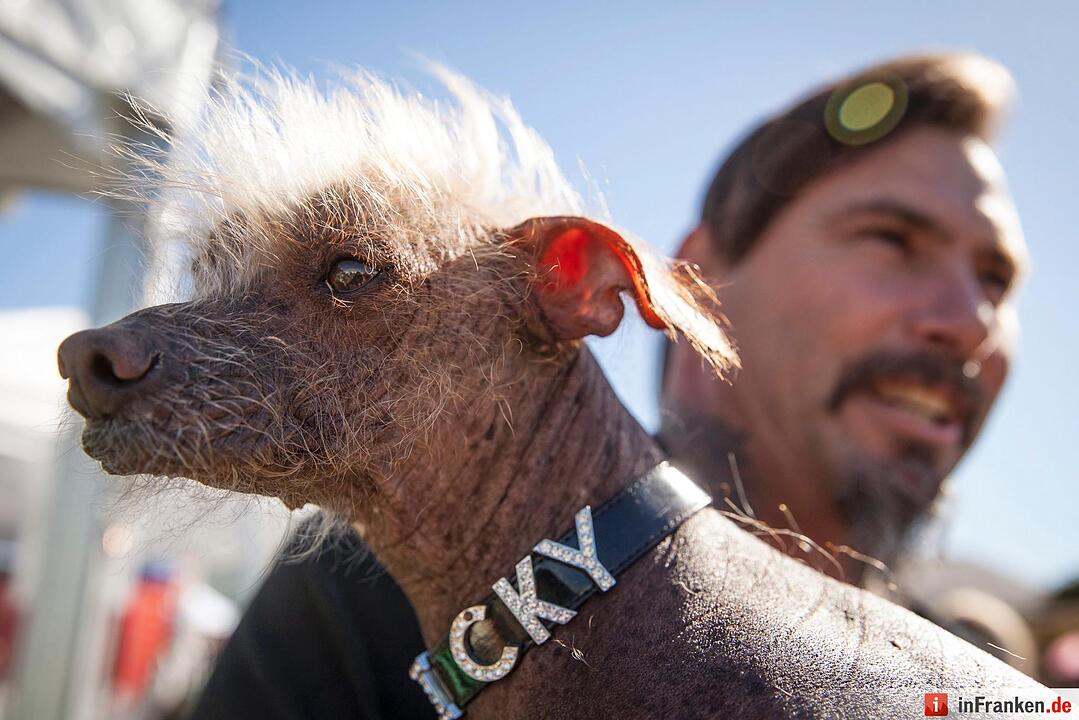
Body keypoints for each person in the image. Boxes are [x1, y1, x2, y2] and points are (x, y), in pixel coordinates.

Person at [190, 51, 1029, 719]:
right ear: (697, 277)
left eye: (995, 279)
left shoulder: (973, 673)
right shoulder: (390, 590)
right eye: (890, 238)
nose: (968, 320)